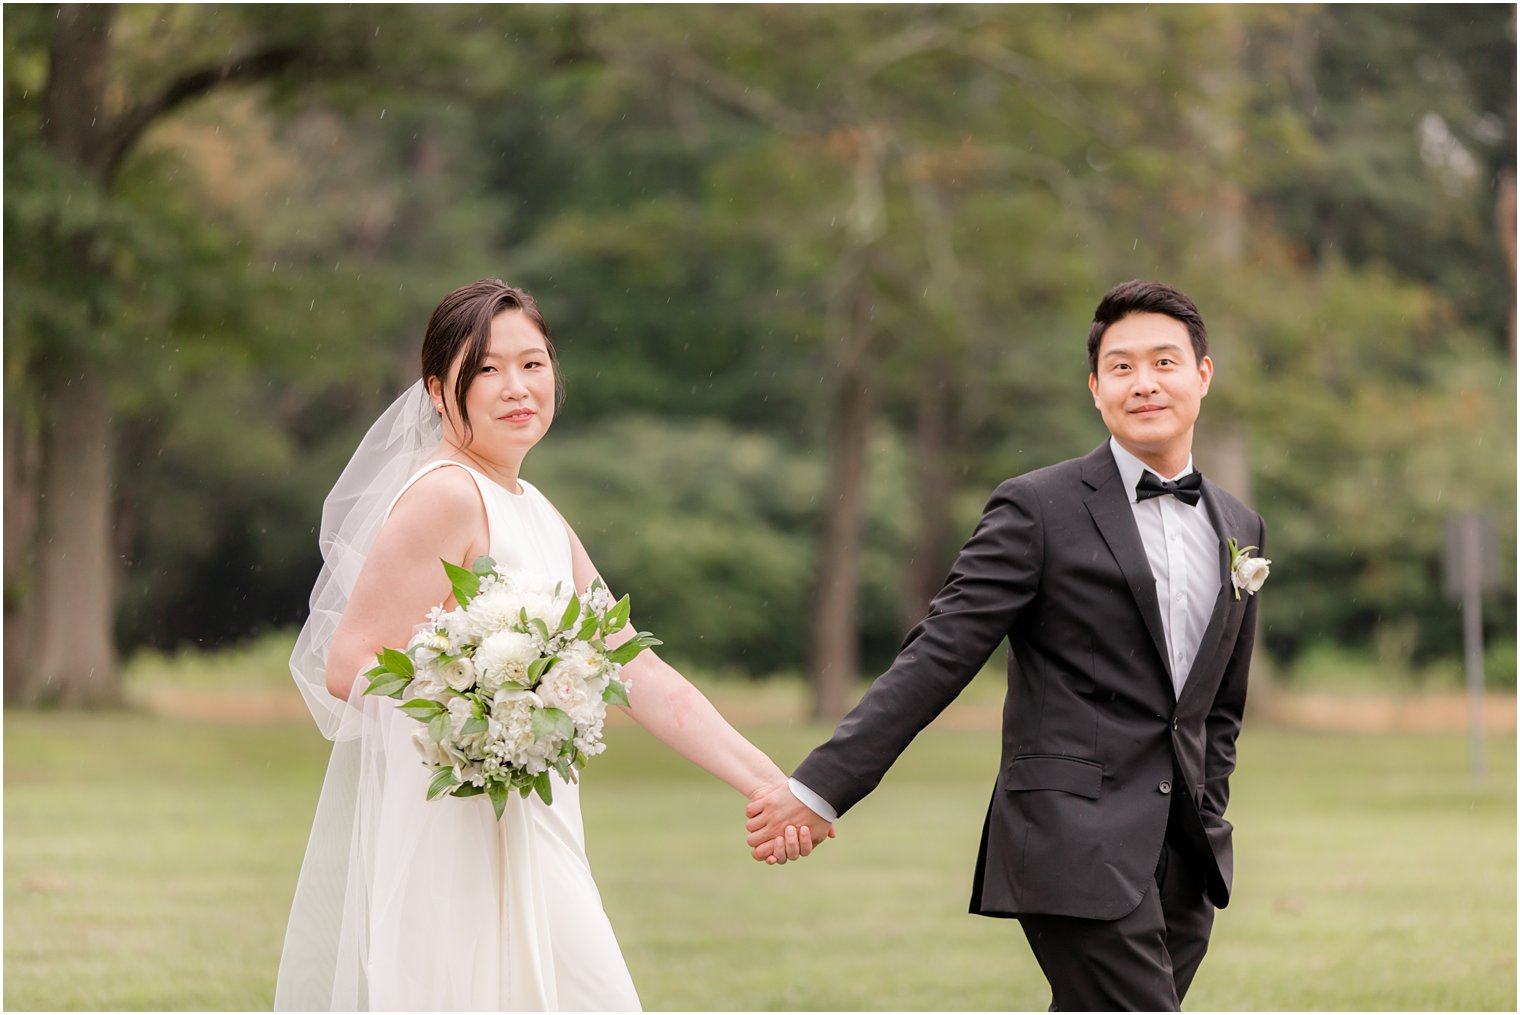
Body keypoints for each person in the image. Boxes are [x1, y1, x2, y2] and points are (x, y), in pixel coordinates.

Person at [276, 279, 821, 1011]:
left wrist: (770, 783)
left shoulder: (533, 509)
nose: (516, 387)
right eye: (488, 368)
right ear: (440, 392)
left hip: (539, 812)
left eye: (532, 364)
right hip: (457, 828)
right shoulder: (445, 494)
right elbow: (347, 665)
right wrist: (486, 705)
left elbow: (638, 668)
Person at [746, 279, 1269, 1011]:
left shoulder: (1239, 523)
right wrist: (821, 787)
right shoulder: (1038, 508)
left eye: (1164, 362)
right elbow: (938, 654)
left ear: (1202, 375)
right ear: (1094, 388)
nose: (1144, 383)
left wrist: (1207, 804)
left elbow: (1219, 706)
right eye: (1121, 367)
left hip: (1183, 858)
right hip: (1071, 842)